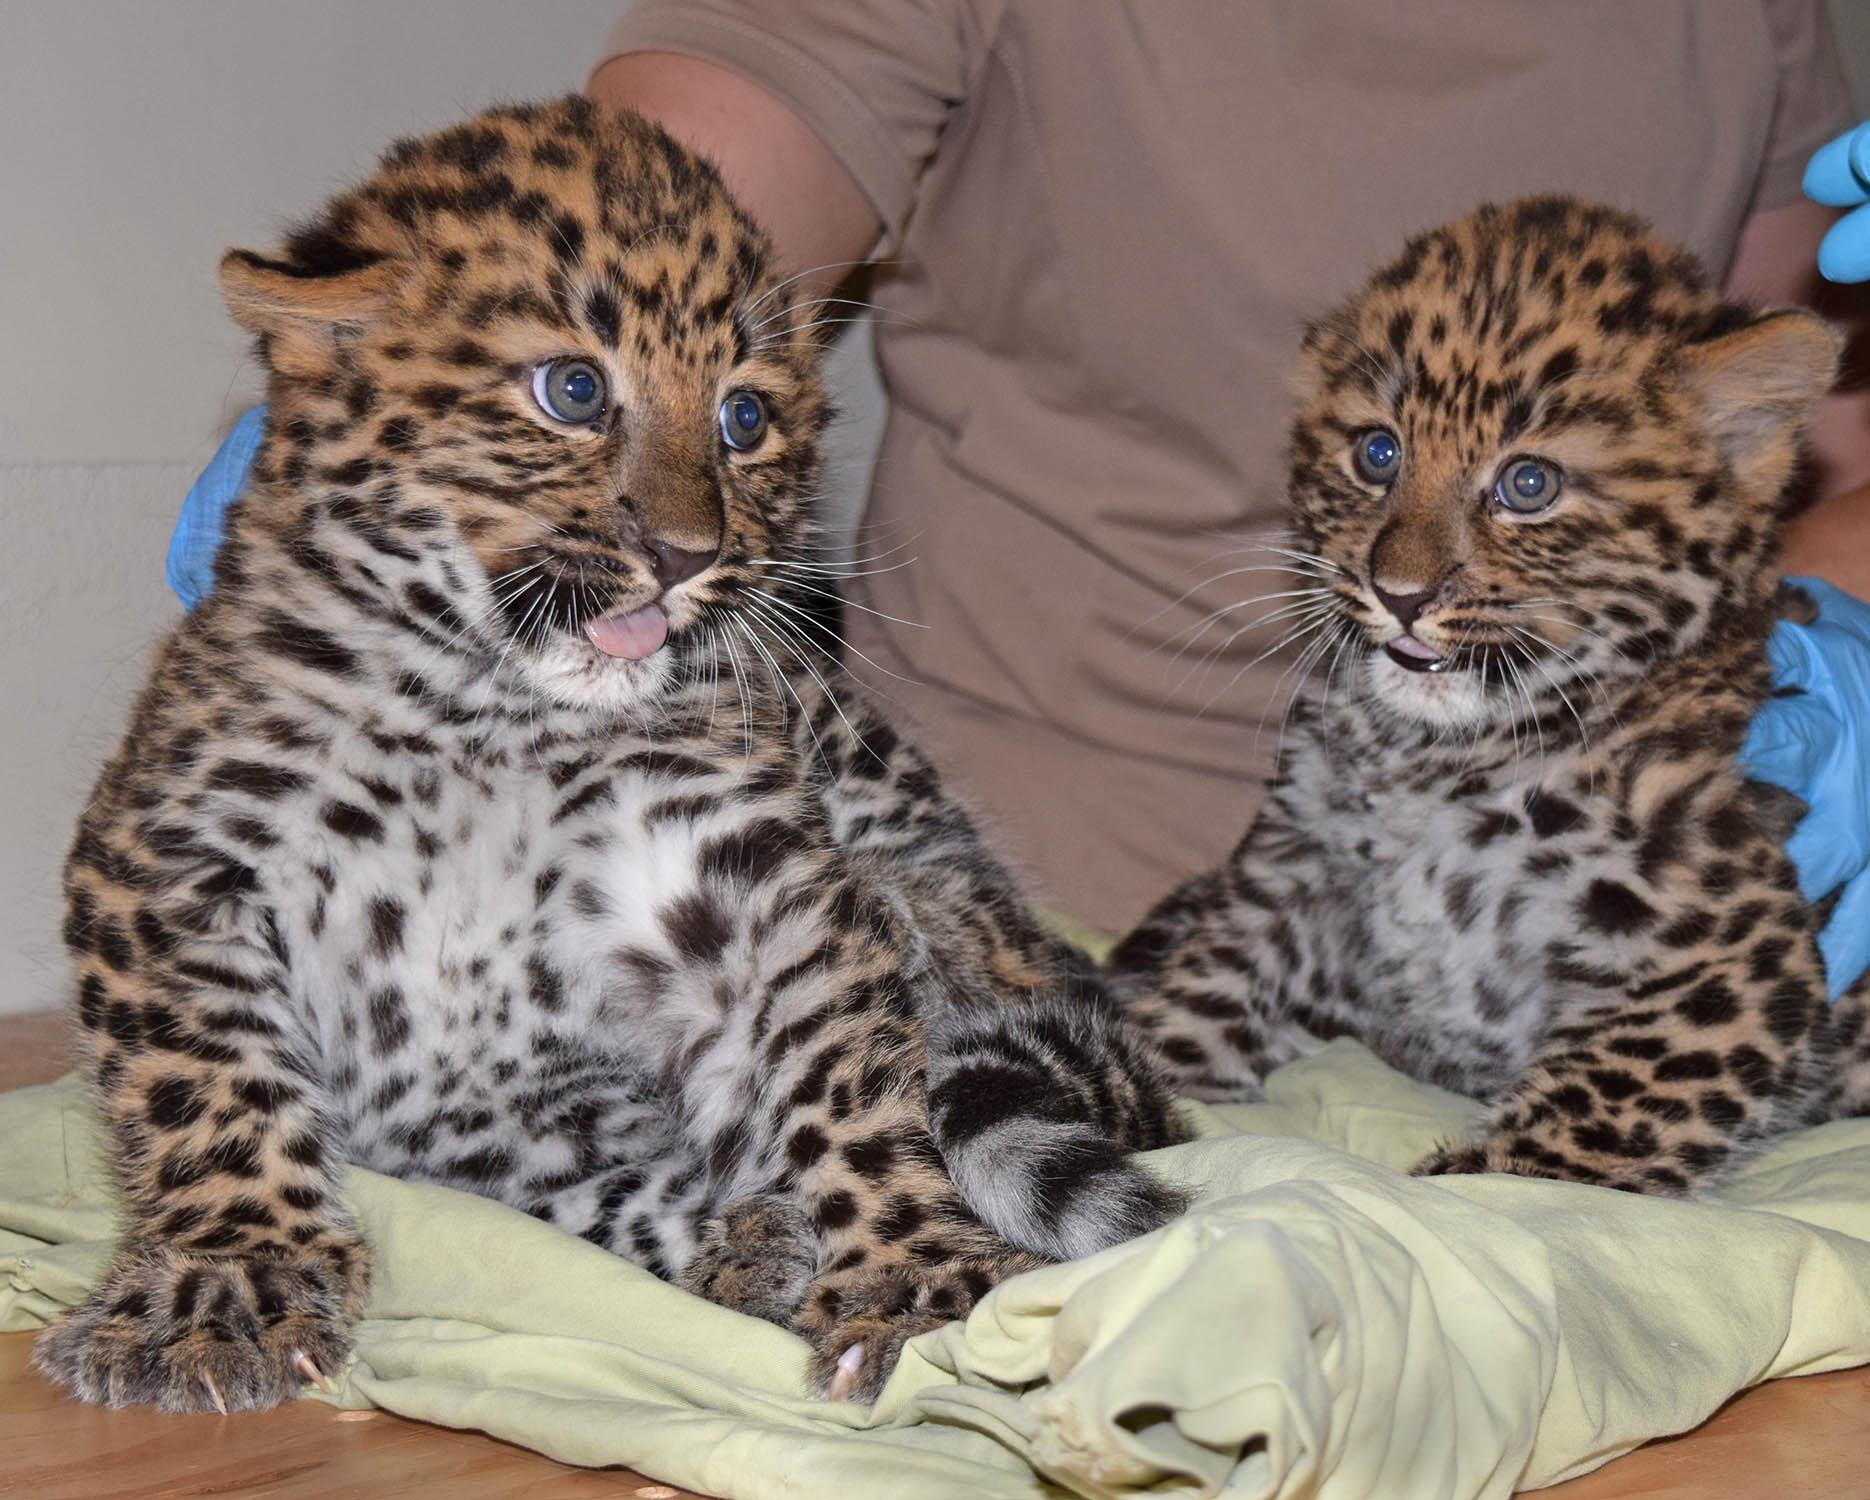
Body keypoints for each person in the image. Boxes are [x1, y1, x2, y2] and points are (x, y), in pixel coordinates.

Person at [172, 6, 1870, 979]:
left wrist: (1836, 634)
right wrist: (411, 418)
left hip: (1558, 915)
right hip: (1014, 918)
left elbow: (1786, 431)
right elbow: (636, 252)